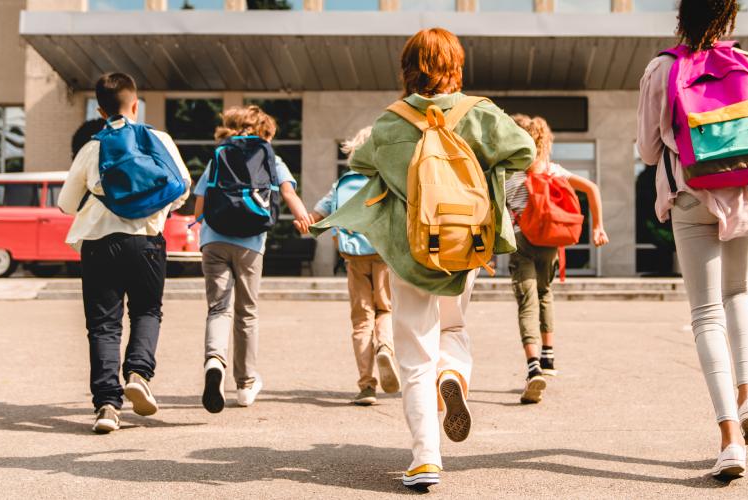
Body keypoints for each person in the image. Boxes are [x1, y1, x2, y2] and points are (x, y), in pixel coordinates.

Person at [312, 28, 535, 491]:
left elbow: (361, 167)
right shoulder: (480, 113)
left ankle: (426, 457)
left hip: (411, 249)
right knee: (453, 327)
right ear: (456, 66)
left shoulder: (390, 123)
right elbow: (524, 151)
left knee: (414, 352)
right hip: (466, 244)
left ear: (408, 67)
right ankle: (452, 373)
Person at [637, 0, 748, 480]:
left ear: (683, 16)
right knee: (739, 293)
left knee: (705, 314)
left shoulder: (661, 68)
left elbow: (646, 148)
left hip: (691, 193)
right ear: (729, 18)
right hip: (745, 189)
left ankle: (730, 439)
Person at [58, 72, 191, 433]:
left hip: (100, 243)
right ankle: (138, 373)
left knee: (103, 324)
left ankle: (106, 407)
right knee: (147, 310)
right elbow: (182, 187)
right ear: (136, 104)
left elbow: (65, 204)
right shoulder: (157, 139)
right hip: (147, 241)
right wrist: (153, 209)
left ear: (100, 110)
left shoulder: (92, 147)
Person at [193, 105, 312, 413]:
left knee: (218, 308)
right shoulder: (272, 158)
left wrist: (203, 230)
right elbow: (287, 193)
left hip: (214, 240)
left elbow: (199, 205)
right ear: (265, 133)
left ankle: (214, 362)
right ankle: (245, 385)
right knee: (246, 313)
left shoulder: (219, 154)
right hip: (250, 243)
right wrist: (304, 219)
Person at [505, 114, 608, 405]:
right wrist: (598, 227)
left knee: (527, 302)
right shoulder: (552, 170)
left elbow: (495, 211)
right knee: (545, 293)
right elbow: (592, 188)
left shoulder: (509, 173)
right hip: (550, 242)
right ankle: (548, 357)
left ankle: (533, 365)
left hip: (521, 241)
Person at [310, 127, 400, 406]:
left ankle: (366, 386)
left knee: (362, 320)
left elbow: (317, 215)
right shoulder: (386, 180)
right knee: (385, 309)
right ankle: (385, 345)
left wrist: (306, 220)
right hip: (384, 253)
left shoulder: (342, 184)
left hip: (353, 257)